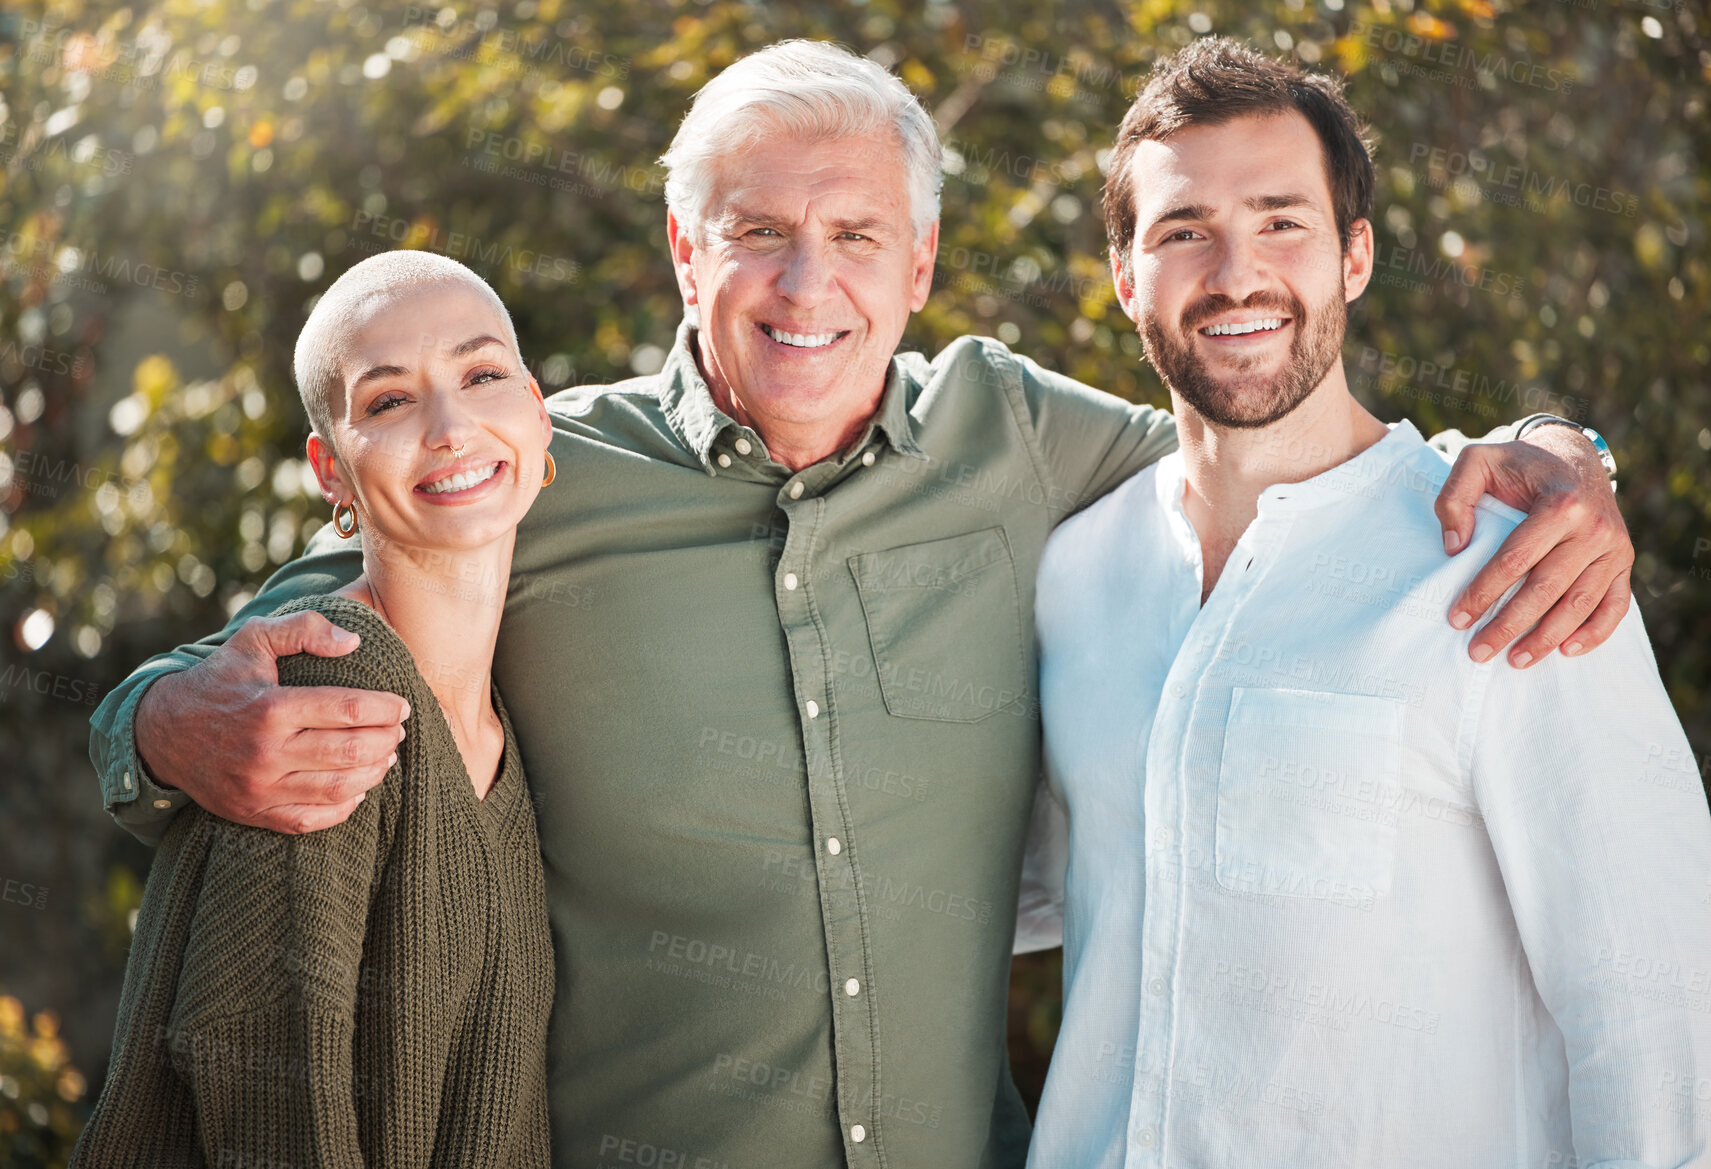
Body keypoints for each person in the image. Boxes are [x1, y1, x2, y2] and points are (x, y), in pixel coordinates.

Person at [88, 41, 1634, 1167]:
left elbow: (1280, 446)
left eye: (852, 236)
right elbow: (272, 641)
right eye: (757, 232)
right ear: (688, 254)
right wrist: (159, 724)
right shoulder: (537, 469)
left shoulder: (1021, 438)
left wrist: (1547, 452)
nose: (803, 283)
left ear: (920, 262)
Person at [1026, 38, 1711, 1167]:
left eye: (1281, 220)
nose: (1235, 271)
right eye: (1183, 229)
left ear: (1353, 258)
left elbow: (1659, 1015)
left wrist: (1563, 442)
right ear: (1123, 274)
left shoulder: (1520, 568)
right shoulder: (1072, 572)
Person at [73, 251, 556, 1166]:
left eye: (481, 375)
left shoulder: (503, 727)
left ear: (537, 413)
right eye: (388, 400)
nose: (451, 427)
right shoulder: (327, 690)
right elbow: (255, 1061)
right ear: (331, 471)